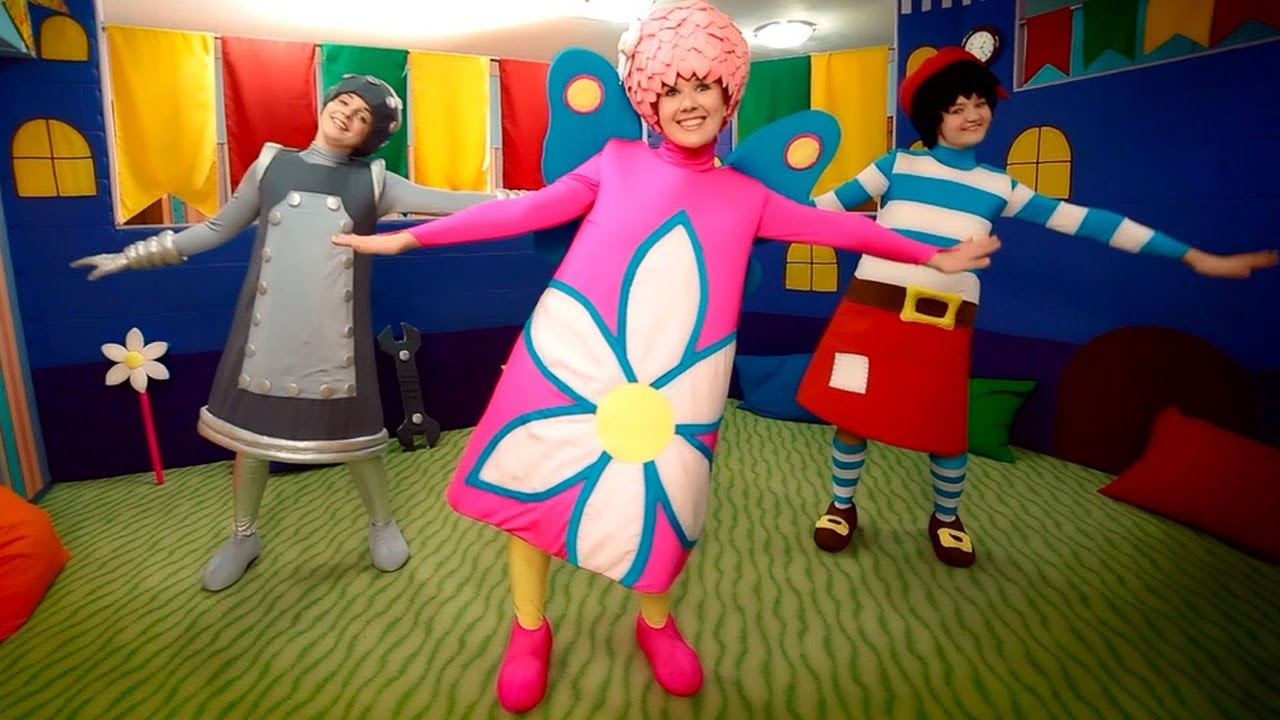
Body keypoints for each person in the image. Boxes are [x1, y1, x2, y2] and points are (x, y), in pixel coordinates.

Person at [332, 3, 999, 712]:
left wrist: (930, 254)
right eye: (672, 88)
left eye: (703, 85)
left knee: (663, 503)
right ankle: (529, 627)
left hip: (679, 381)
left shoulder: (748, 195)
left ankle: (654, 622)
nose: (688, 102)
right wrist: (410, 238)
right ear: (649, 98)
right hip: (575, 358)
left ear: (727, 94)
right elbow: (521, 211)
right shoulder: (614, 163)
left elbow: (840, 230)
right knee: (533, 490)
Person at [798, 47, 1278, 568]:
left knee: (945, 429)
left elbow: (1089, 221)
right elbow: (817, 211)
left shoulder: (998, 185)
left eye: (980, 103)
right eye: (957, 107)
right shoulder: (896, 165)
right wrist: (748, 207)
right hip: (868, 319)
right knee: (852, 419)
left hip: (942, 326)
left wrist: (1194, 257)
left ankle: (947, 517)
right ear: (934, 115)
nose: (973, 114)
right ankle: (841, 505)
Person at [71, 74, 514, 591]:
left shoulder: (377, 181)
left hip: (335, 337)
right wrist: (132, 255)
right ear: (327, 103)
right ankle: (243, 535)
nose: (347, 114)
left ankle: (381, 523)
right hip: (268, 328)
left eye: (363, 116)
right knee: (251, 439)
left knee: (357, 439)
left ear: (370, 135)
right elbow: (215, 229)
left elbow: (457, 202)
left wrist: (534, 199)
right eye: (344, 102)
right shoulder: (270, 164)